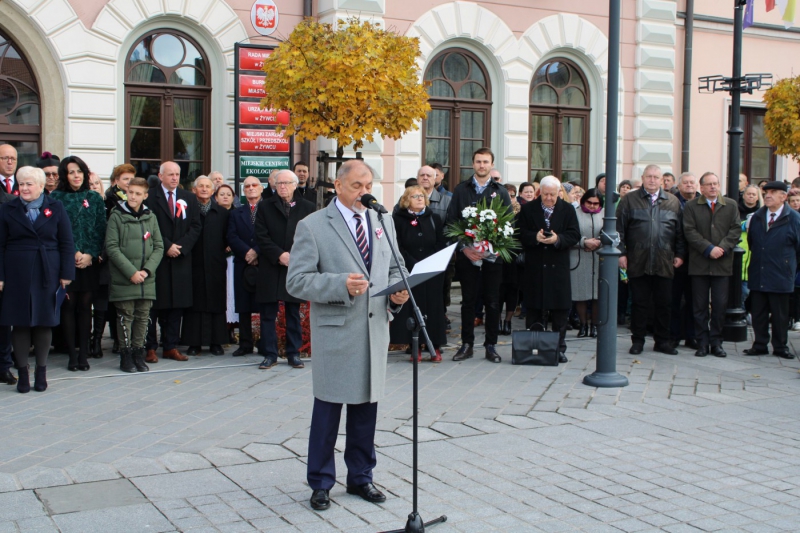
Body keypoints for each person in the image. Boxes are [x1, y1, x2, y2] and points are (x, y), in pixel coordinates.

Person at [285, 160, 408, 511]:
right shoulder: (312, 226)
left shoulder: (382, 220)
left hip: (374, 330)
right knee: (328, 411)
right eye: (357, 185)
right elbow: (296, 281)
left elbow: (396, 265)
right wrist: (339, 284)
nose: (364, 192)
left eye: (368, 184)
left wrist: (398, 291)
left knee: (366, 411)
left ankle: (361, 478)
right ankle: (321, 482)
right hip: (337, 333)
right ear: (337, 186)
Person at [0, 166, 75, 392]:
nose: (24, 188)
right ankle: (23, 374)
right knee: (20, 323)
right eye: (21, 184)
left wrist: (66, 274)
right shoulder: (7, 209)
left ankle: (41, 372)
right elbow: (0, 244)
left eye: (29, 184)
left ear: (41, 187)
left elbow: (66, 242)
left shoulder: (56, 207)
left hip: (47, 271)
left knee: (44, 321)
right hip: (17, 272)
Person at [445, 148, 512, 363]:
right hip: (468, 256)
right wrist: (465, 249)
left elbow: (508, 223)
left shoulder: (499, 191)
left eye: (485, 162)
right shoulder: (461, 190)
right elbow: (452, 222)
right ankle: (467, 344)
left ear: (491, 164)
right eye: (478, 161)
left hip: (492, 258)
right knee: (468, 302)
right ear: (472, 164)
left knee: (493, 302)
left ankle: (491, 345)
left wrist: (491, 248)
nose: (482, 165)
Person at [617, 164, 685, 355]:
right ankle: (637, 341)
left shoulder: (672, 202)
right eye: (649, 177)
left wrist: (680, 255)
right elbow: (619, 230)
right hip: (638, 260)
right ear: (643, 178)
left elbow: (680, 233)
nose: (652, 180)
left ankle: (662, 341)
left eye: (656, 177)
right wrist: (621, 253)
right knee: (639, 303)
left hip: (665, 261)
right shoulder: (629, 200)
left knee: (664, 303)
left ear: (662, 179)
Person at [49, 156, 107, 371]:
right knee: (68, 306)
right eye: (71, 172)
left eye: (79, 171)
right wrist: (72, 253)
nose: (76, 176)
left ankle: (84, 354)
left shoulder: (94, 197)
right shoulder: (56, 198)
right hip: (66, 261)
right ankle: (72, 355)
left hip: (89, 263)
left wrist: (90, 254)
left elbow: (101, 228)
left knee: (85, 307)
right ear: (65, 175)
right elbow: (54, 231)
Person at [254, 169, 315, 369]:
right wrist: (279, 254)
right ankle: (270, 354)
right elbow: (261, 236)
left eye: (287, 183)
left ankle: (293, 353)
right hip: (271, 265)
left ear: (295, 185)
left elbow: (311, 238)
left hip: (295, 266)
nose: (282, 186)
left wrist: (294, 257)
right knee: (268, 314)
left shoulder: (307, 207)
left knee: (293, 312)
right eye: (279, 183)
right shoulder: (264, 206)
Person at [144, 161, 202, 363]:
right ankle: (150, 347)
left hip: (180, 260)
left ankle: (170, 346)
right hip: (158, 259)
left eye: (177, 174)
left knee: (176, 306)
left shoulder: (188, 198)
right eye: (170, 174)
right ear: (161, 176)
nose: (175, 178)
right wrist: (166, 245)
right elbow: (148, 226)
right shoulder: (150, 197)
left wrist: (181, 247)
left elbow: (196, 226)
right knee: (154, 306)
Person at [518, 175, 581, 362]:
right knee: (534, 308)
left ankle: (559, 348)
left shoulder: (568, 209)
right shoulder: (528, 209)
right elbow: (519, 233)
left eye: (552, 195)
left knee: (560, 310)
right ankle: (534, 347)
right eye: (545, 195)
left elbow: (574, 234)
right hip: (535, 266)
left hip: (558, 267)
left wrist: (558, 239)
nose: (549, 198)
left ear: (559, 193)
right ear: (540, 193)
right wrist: (534, 238)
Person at [105, 177, 164, 372]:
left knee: (143, 317)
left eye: (138, 193)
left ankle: (139, 353)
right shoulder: (116, 215)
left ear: (145, 196)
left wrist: (146, 271)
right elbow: (112, 247)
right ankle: (126, 355)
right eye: (131, 192)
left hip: (146, 279)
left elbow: (158, 246)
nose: (133, 196)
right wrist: (131, 272)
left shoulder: (150, 216)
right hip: (125, 278)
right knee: (125, 316)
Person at [683, 172, 741, 358]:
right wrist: (708, 248)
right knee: (699, 306)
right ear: (701, 188)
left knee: (719, 305)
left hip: (722, 264)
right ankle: (702, 343)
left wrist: (721, 248)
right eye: (709, 184)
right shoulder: (692, 206)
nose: (713, 187)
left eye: (716, 183)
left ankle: (716, 342)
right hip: (699, 264)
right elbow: (689, 231)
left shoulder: (730, 205)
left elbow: (735, 229)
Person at [389, 185, 447, 361]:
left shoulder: (434, 218)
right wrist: (413, 263)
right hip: (410, 269)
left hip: (432, 271)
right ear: (407, 200)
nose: (420, 198)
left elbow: (440, 242)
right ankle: (416, 347)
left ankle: (435, 346)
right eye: (415, 196)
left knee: (434, 308)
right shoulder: (398, 219)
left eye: (422, 195)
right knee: (414, 307)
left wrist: (431, 262)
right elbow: (397, 246)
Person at [743, 181, 800, 359]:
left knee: (780, 314)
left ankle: (780, 346)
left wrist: (787, 265)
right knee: (759, 312)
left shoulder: (794, 218)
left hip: (781, 273)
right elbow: (752, 242)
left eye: (773, 192)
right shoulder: (758, 216)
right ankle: (760, 344)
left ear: (784, 197)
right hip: (759, 270)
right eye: (766, 192)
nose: (768, 195)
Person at [181, 176, 230, 356]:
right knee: (195, 303)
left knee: (216, 302)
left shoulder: (223, 213)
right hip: (193, 264)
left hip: (215, 263)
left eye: (207, 187)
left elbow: (228, 236)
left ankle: (216, 342)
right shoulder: (187, 211)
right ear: (194, 190)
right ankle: (194, 343)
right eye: (200, 186)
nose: (203, 189)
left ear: (212, 191)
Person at [227, 176, 263, 356]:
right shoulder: (236, 213)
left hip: (263, 262)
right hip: (242, 262)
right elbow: (231, 236)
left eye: (254, 185)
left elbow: (271, 234)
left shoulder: (268, 210)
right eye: (247, 186)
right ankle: (245, 343)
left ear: (261, 188)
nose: (250, 188)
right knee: (243, 305)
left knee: (264, 304)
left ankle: (265, 343)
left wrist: (256, 251)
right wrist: (247, 253)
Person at [670, 172, 700, 349]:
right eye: (685, 182)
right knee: (674, 299)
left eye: (692, 182)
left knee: (694, 300)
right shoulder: (671, 202)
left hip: (697, 258)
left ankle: (692, 335)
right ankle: (674, 335)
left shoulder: (702, 202)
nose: (689, 185)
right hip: (675, 258)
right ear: (679, 186)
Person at [570, 190, 603, 338]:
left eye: (595, 203)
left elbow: (613, 234)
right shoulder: (574, 213)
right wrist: (584, 242)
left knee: (597, 295)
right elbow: (569, 234)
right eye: (589, 202)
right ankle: (583, 325)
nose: (591, 206)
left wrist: (599, 242)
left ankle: (595, 326)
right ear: (583, 201)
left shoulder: (605, 214)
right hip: (579, 257)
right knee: (580, 294)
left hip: (598, 258)